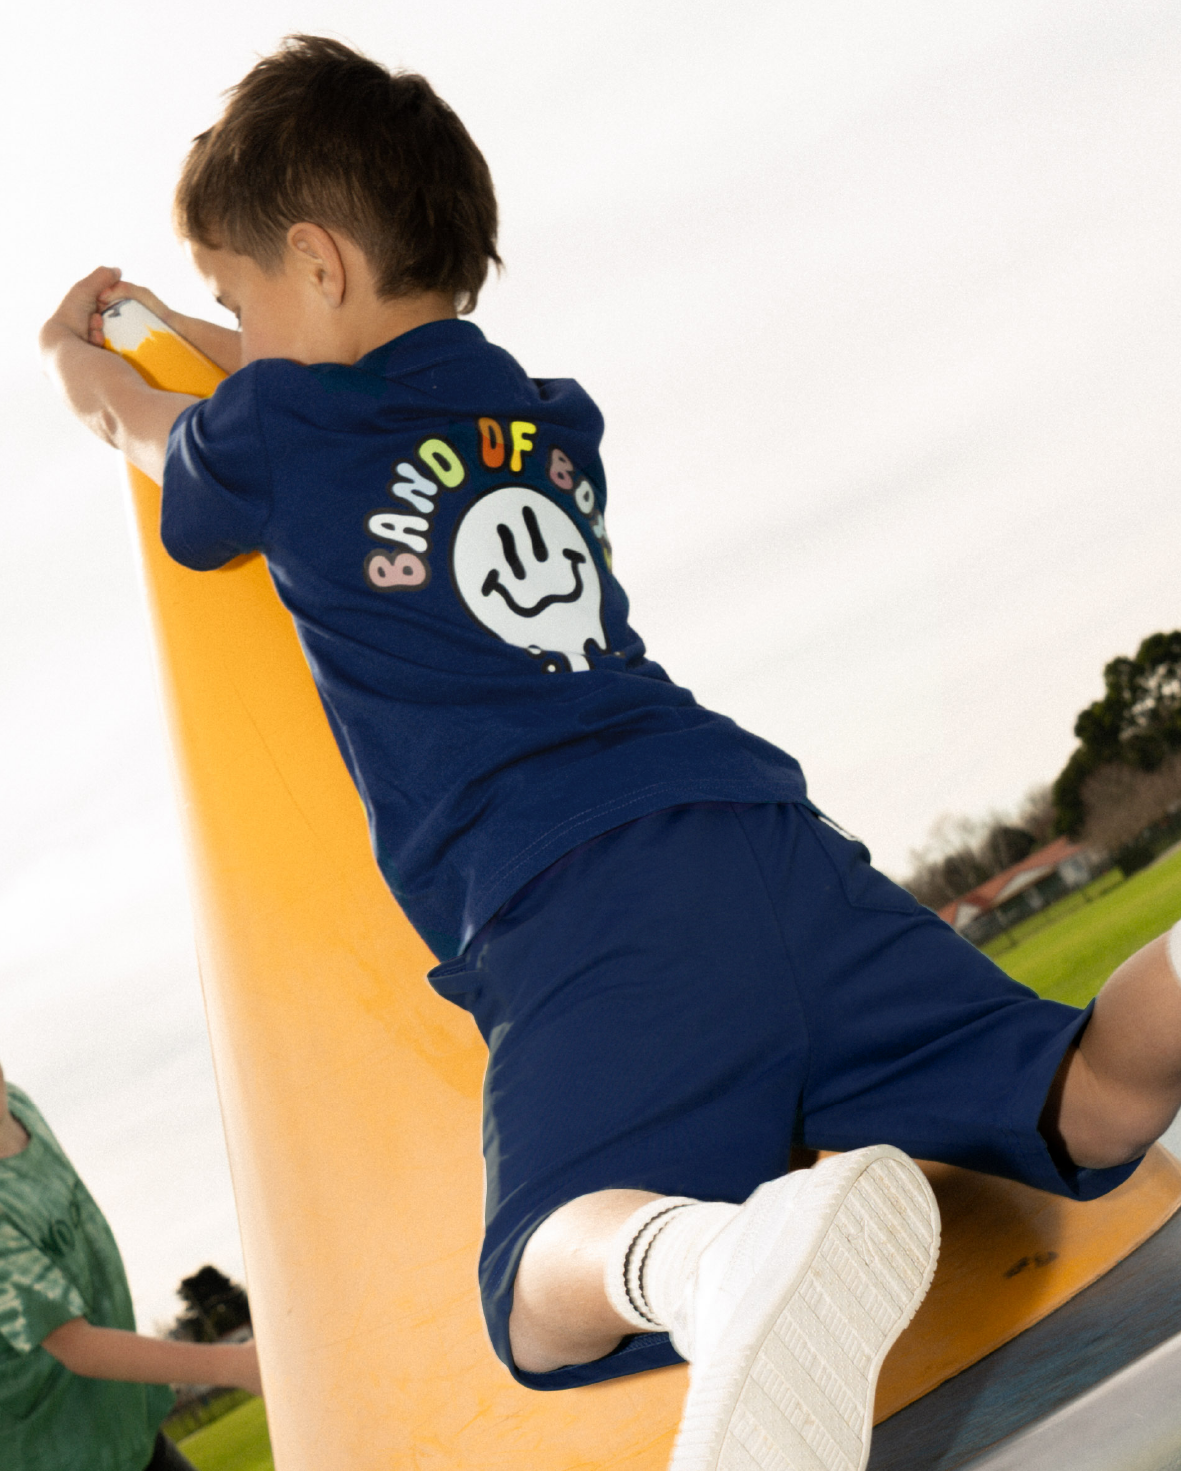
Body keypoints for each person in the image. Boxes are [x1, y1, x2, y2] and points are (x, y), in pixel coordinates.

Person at [37, 36, 1181, 1471]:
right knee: (1089, 1095)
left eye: (239, 297)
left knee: (534, 1287)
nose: (238, 337)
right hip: (760, 829)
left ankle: (713, 1265)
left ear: (318, 266)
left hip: (575, 899)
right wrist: (191, 314)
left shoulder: (270, 430)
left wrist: (88, 357)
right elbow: (313, 390)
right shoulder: (532, 410)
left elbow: (154, 429)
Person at [0, 1061, 261, 1471]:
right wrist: (237, 1365)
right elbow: (76, 1346)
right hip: (59, 1457)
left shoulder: (18, 1105)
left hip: (125, 1433)